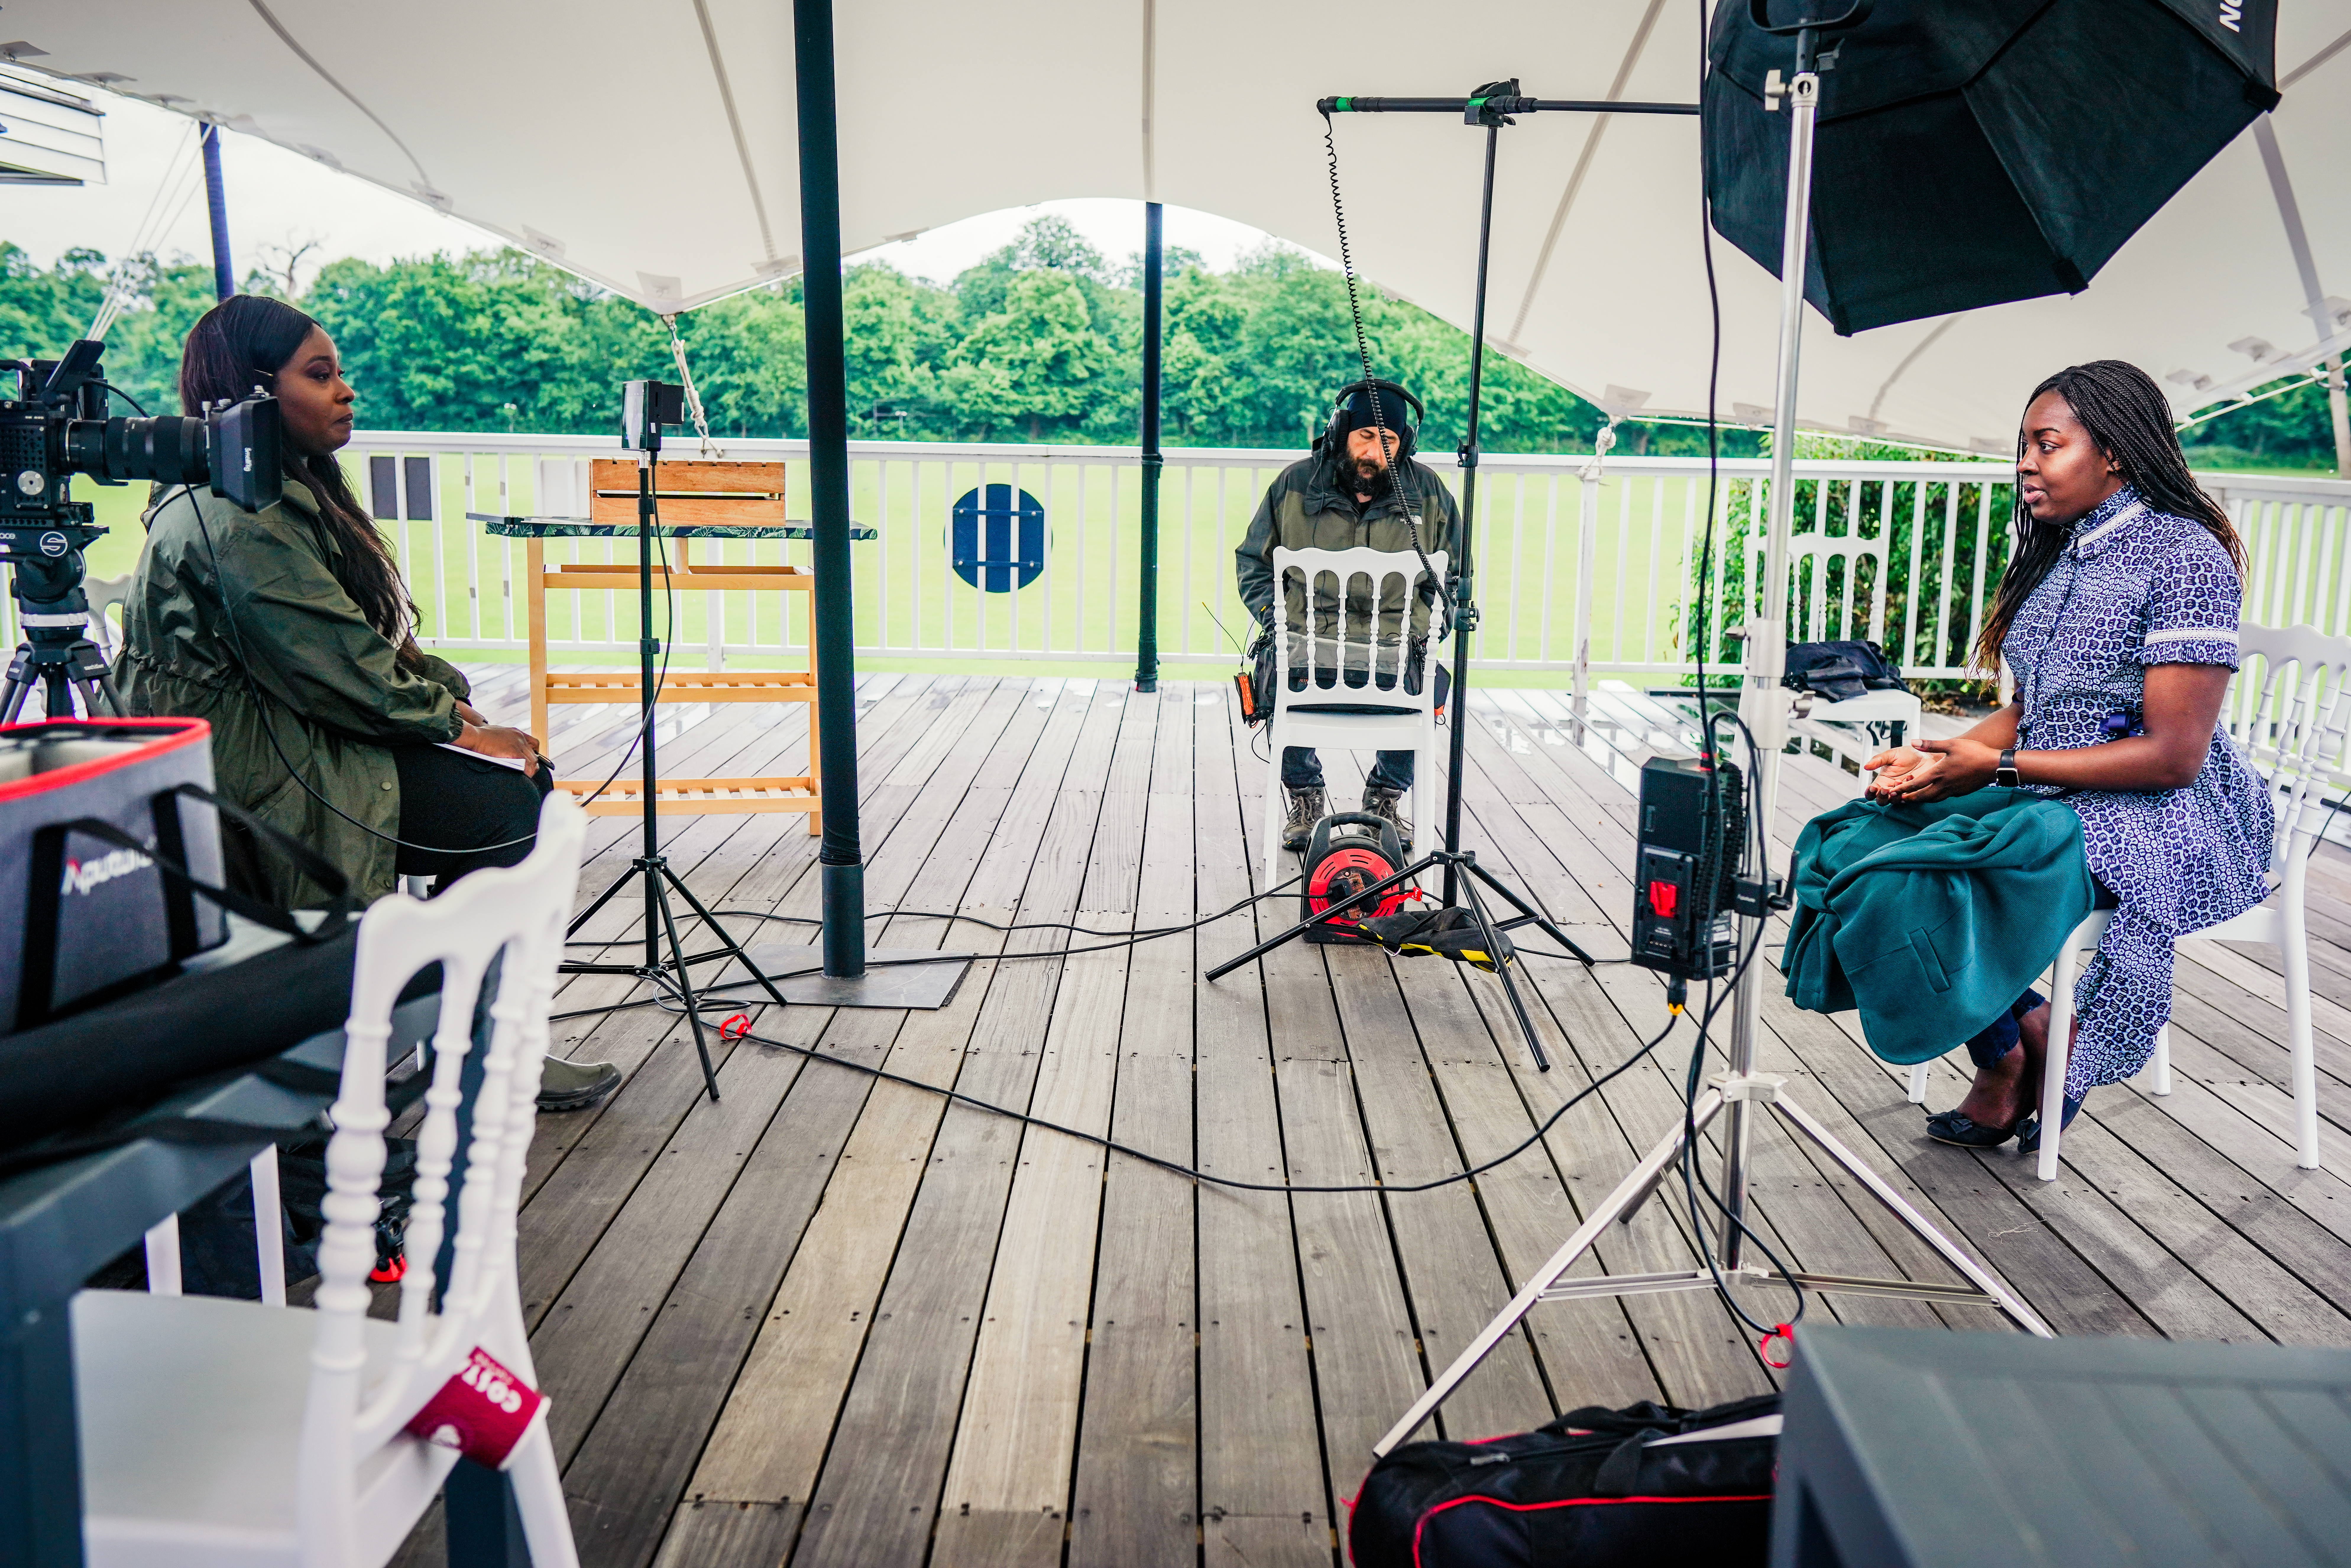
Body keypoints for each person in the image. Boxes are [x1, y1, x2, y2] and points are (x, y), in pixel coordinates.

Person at [117, 294, 617, 1112]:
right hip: (257, 770)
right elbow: (343, 672)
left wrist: (454, 705)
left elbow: (349, 648)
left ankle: (472, 1040)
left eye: (341, 373)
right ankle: (479, 1057)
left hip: (292, 729)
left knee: (514, 783)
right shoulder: (240, 518)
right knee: (507, 808)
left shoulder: (265, 493)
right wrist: (454, 723)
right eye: (321, 375)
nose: (346, 391)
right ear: (253, 392)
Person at [1863, 360, 2272, 1153]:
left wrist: (1998, 770)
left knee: (1938, 868)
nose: (2025, 463)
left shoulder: (2184, 559)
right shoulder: (2068, 553)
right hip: (2051, 786)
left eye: (2046, 445)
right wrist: (1941, 755)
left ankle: (2008, 1066)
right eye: (2025, 446)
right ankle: (2030, 1045)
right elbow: (2035, 711)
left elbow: (2173, 758)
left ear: (2113, 451)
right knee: (1863, 838)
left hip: (2159, 814)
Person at [1236, 379, 1459, 851]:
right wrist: (1276, 622)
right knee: (1275, 664)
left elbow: (1456, 582)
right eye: (1365, 436)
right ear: (1340, 432)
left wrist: (1422, 630)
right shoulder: (1295, 484)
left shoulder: (1431, 494)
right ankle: (1306, 797)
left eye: (1389, 440)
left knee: (1430, 670)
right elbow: (1253, 562)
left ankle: (1385, 798)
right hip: (1306, 655)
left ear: (1406, 445)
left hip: (1396, 660)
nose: (1374, 452)